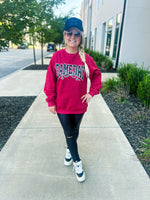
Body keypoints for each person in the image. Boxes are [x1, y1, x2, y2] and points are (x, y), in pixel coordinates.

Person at [44, 17, 102, 182]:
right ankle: (77, 162)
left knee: (74, 131)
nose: (73, 36)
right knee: (69, 133)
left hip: (79, 106)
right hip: (62, 106)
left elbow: (97, 76)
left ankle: (69, 151)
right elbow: (50, 81)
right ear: (65, 35)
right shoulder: (57, 57)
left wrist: (92, 93)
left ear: (81, 37)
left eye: (77, 34)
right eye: (69, 33)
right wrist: (50, 101)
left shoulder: (86, 59)